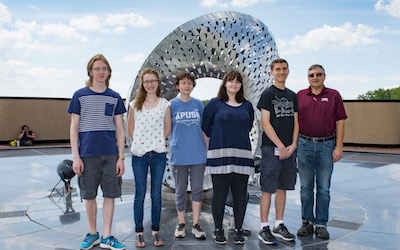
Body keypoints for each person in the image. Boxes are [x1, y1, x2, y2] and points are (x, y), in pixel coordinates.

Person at [68, 54, 126, 250]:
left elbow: (119, 129)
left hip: (110, 154)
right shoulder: (79, 95)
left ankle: (107, 236)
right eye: (97, 69)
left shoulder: (115, 97)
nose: (101, 72)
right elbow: (74, 128)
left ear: (109, 72)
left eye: (104, 69)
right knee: (89, 196)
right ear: (90, 72)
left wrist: (121, 157)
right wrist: (76, 157)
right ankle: (93, 233)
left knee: (110, 194)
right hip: (87, 154)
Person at [202, 70, 255, 245]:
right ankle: (218, 230)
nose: (234, 84)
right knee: (220, 194)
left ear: (241, 85)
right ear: (225, 83)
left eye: (238, 82)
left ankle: (238, 229)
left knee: (240, 195)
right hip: (220, 155)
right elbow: (205, 126)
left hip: (242, 155)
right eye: (231, 81)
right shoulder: (214, 104)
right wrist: (217, 143)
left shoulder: (247, 105)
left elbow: (248, 126)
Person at [296, 64, 347, 239]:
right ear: (307, 77)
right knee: (305, 188)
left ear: (324, 76)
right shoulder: (300, 96)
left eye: (318, 74)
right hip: (304, 144)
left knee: (323, 188)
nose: (315, 77)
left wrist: (339, 146)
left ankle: (321, 224)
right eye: (311, 75)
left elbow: (340, 122)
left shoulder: (334, 95)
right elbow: (295, 122)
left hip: (326, 145)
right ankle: (307, 222)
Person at [126, 68, 171, 248]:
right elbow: (130, 129)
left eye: (153, 81)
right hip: (140, 155)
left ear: (158, 83)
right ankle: (138, 233)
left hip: (158, 155)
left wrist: (158, 140)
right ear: (142, 84)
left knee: (156, 194)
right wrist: (139, 143)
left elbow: (168, 128)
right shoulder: (134, 105)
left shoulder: (165, 104)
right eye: (146, 81)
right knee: (139, 194)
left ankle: (155, 231)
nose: (150, 84)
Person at [257, 58, 298, 245]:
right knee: (268, 188)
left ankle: (279, 224)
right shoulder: (268, 94)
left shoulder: (292, 95)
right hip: (271, 148)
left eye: (284, 69)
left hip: (290, 149)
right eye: (278, 69)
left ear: (288, 71)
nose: (281, 72)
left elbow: (296, 122)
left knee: (283, 187)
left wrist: (293, 144)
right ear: (272, 72)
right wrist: (280, 145)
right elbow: (265, 123)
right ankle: (264, 226)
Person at [169, 71, 207, 240]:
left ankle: (196, 224)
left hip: (198, 154)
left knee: (197, 189)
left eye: (189, 83)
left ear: (192, 86)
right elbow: (166, 129)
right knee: (180, 190)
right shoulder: (171, 105)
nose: (186, 85)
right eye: (183, 83)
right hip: (179, 154)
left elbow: (205, 130)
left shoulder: (198, 104)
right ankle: (182, 223)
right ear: (177, 85)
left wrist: (207, 149)